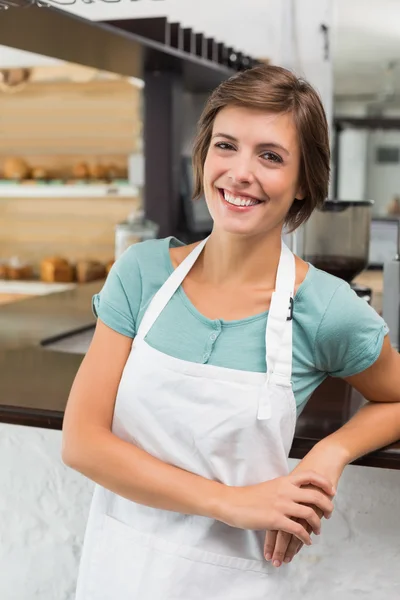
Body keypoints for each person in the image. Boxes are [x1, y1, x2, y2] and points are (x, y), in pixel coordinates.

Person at [63, 65, 400, 598]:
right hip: (118, 571)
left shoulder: (326, 307)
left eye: (270, 156)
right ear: (203, 158)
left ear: (303, 183)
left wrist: (328, 455)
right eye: (226, 146)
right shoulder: (142, 272)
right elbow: (82, 442)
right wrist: (232, 502)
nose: (240, 172)